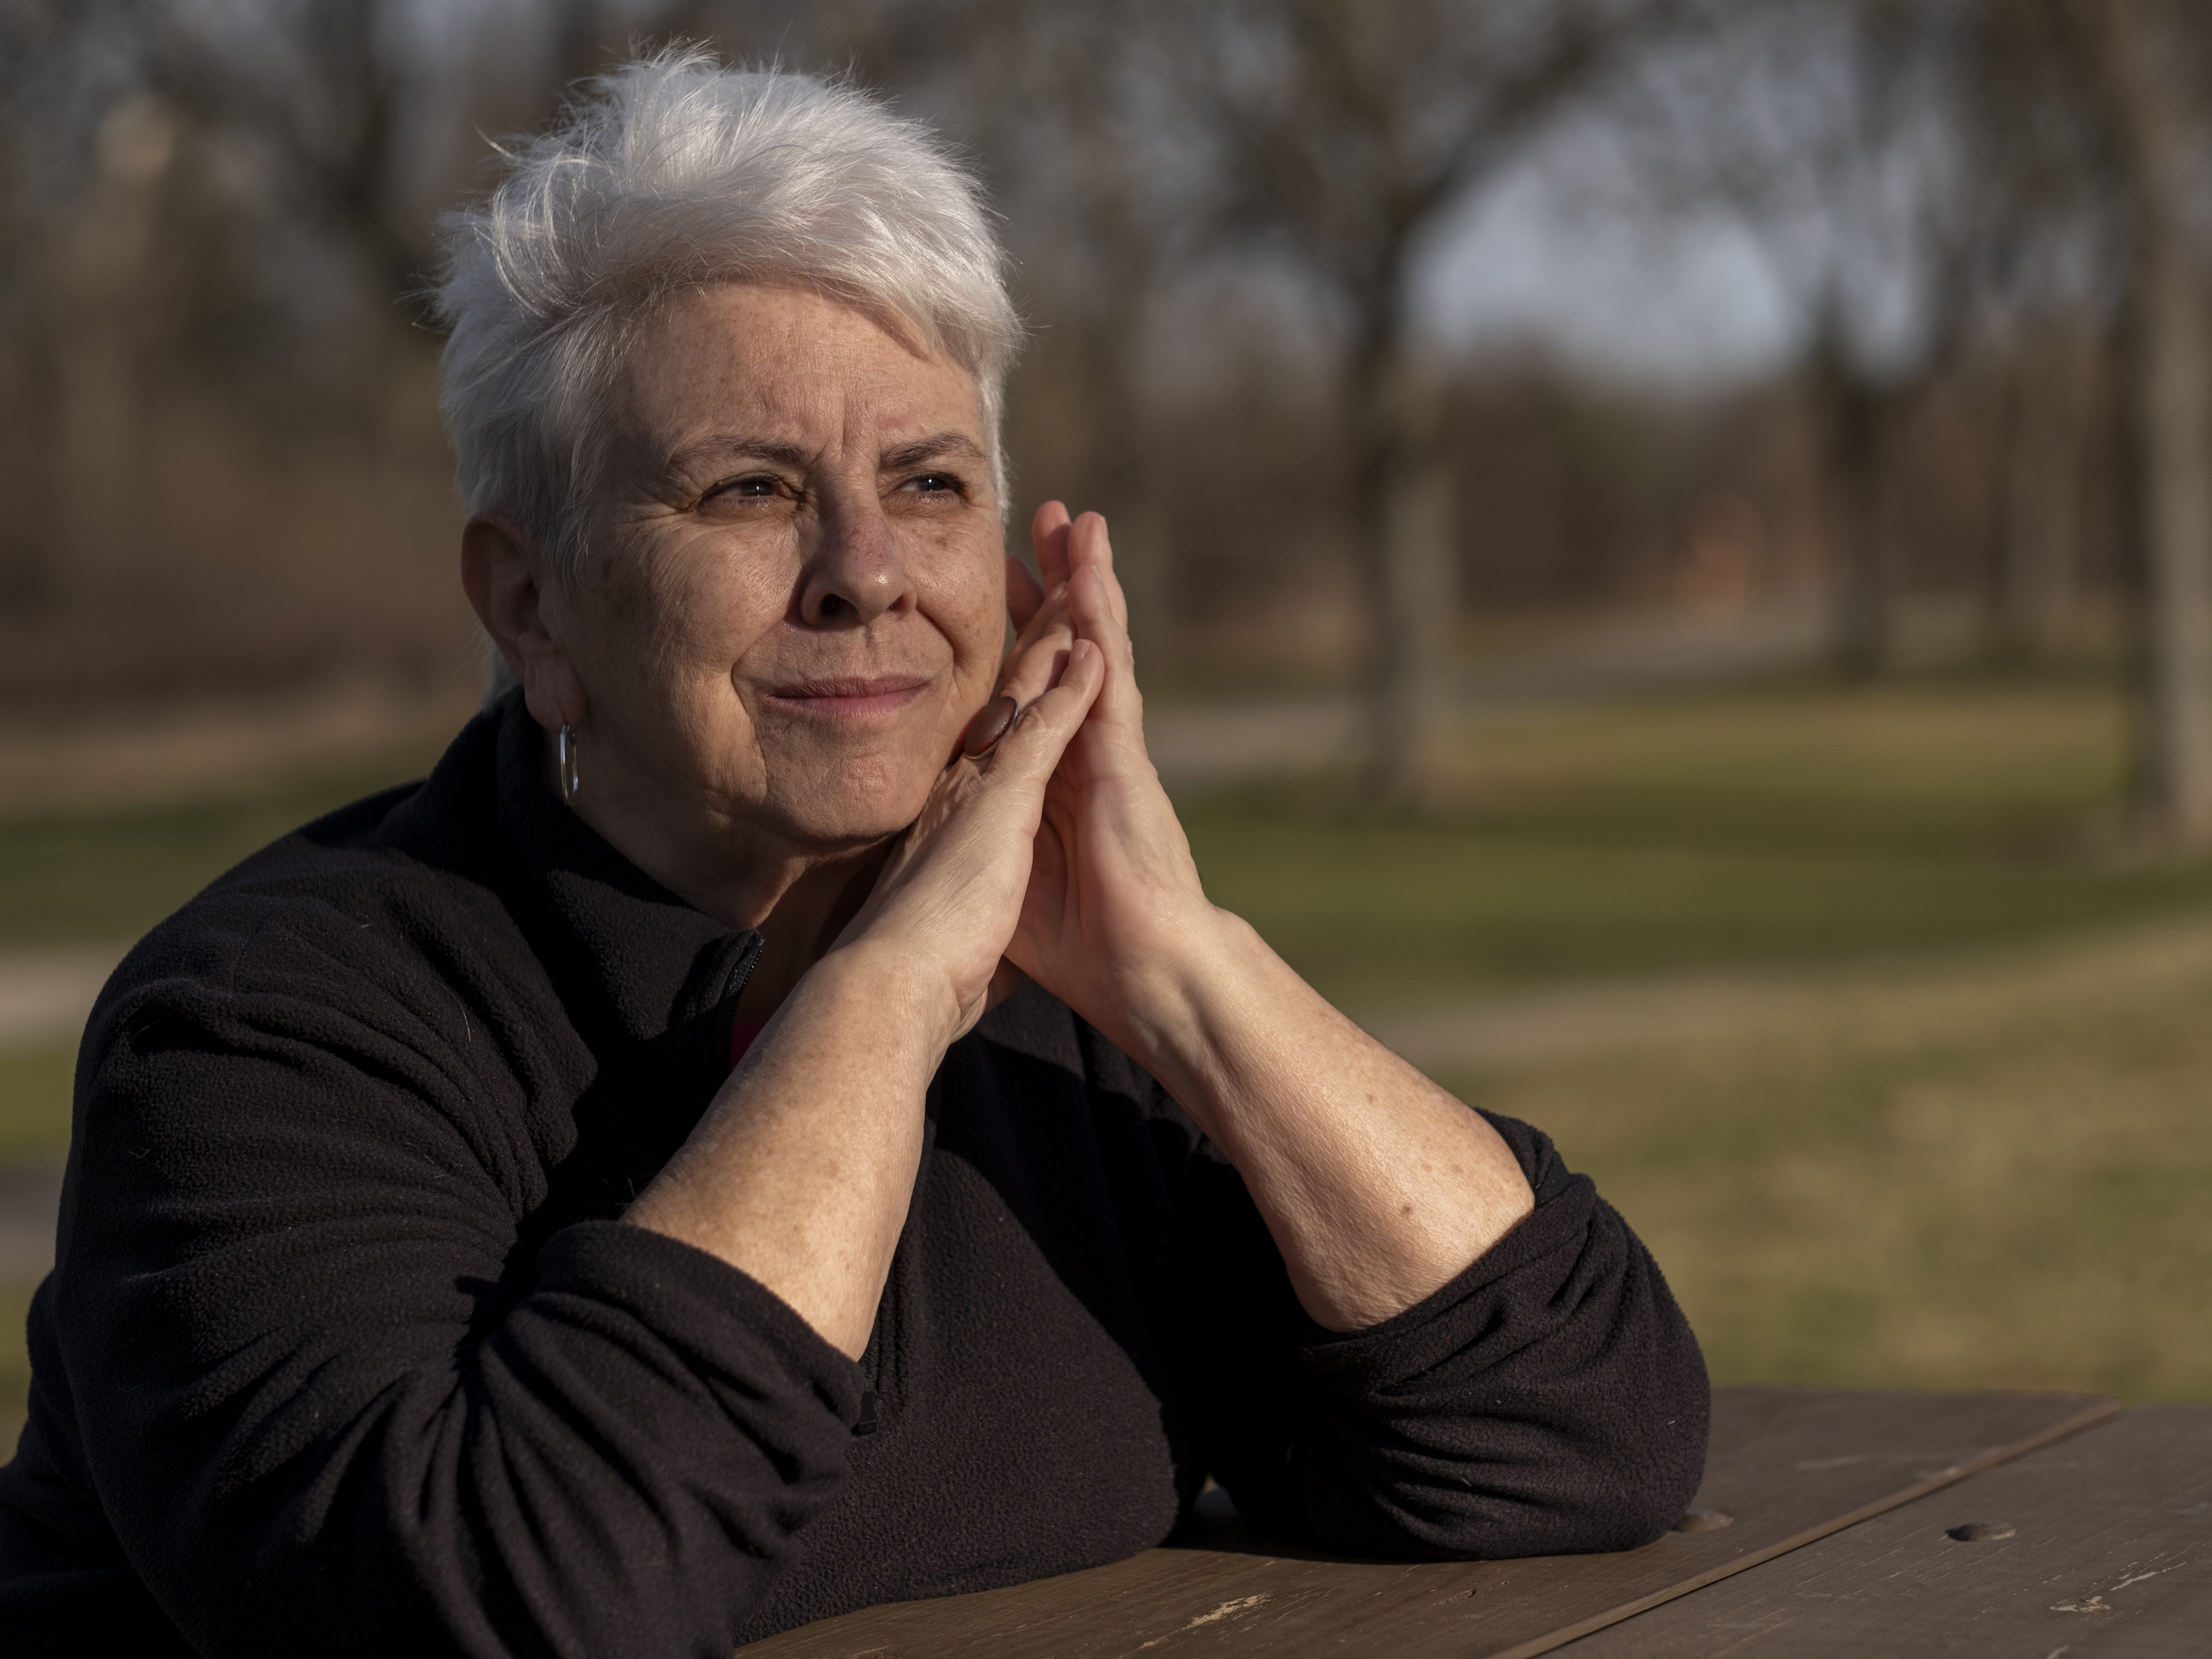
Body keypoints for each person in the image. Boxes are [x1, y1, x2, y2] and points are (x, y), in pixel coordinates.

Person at [0, 50, 1707, 1659]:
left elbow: (1574, 1436)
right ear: (530, 602)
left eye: (930, 483)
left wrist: (1181, 967)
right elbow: (498, 1600)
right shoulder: (266, 1029)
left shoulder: (1075, 1005)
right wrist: (885, 1002)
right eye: (749, 490)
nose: (864, 571)